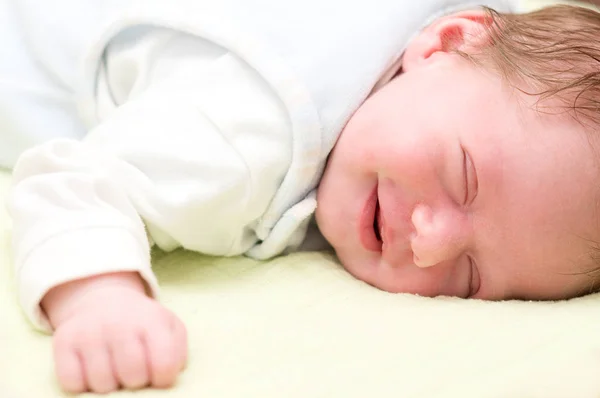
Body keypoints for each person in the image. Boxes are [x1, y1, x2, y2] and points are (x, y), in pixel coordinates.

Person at [3, 0, 600, 393]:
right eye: (462, 176)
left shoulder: (473, 65)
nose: (429, 243)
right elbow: (71, 181)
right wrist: (100, 299)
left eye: (470, 276)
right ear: (446, 41)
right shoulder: (246, 136)